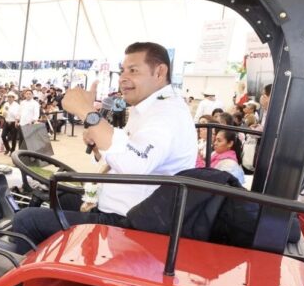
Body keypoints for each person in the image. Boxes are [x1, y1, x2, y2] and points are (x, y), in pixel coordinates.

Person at [12, 42, 197, 252]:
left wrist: (86, 111)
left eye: (133, 70)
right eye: (123, 70)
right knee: (60, 197)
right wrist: (100, 147)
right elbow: (128, 152)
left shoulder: (166, 113)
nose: (123, 78)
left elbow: (134, 164)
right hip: (123, 207)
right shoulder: (148, 109)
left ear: (160, 72)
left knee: (26, 220)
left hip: (131, 223)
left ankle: (24, 281)